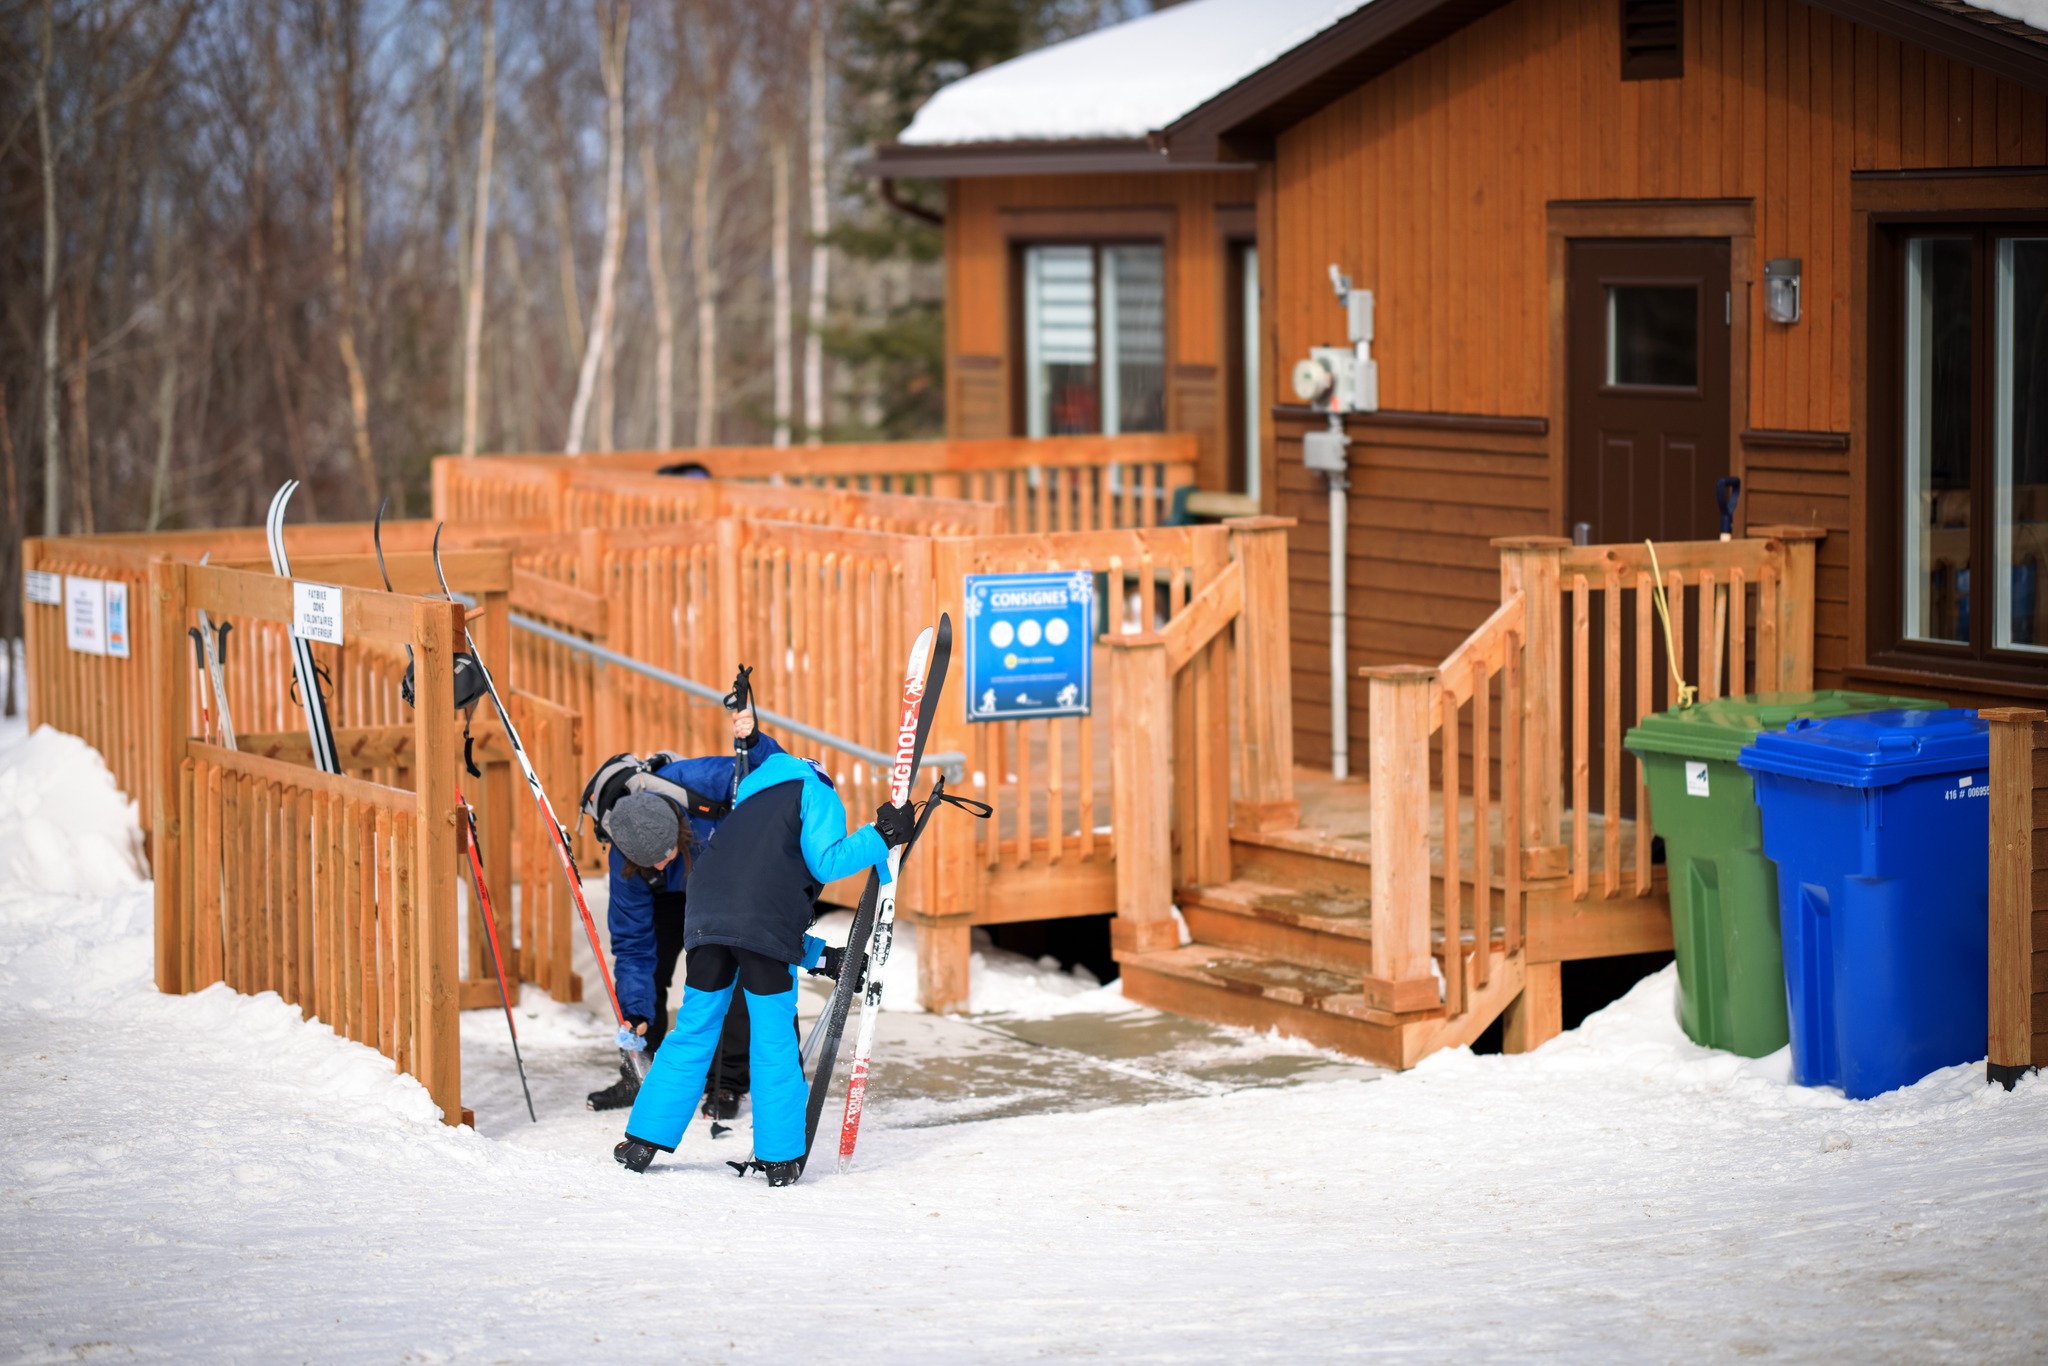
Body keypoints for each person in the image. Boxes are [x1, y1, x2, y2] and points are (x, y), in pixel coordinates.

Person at [612, 750, 915, 1185]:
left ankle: (642, 1141)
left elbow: (748, 907)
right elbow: (824, 863)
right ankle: (780, 1158)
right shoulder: (815, 791)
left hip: (704, 920)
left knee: (692, 1029)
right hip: (762, 926)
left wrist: (824, 957)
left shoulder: (744, 807)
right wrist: (880, 836)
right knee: (772, 1038)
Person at [583, 707, 785, 1115]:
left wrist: (754, 741)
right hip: (666, 898)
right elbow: (633, 946)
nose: (658, 864)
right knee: (646, 974)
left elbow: (771, 772)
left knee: (729, 972)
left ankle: (725, 1084)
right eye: (648, 863)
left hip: (722, 884)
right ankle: (638, 1072)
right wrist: (636, 1007)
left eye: (664, 856)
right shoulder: (627, 864)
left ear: (678, 831)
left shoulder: (697, 782)